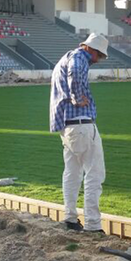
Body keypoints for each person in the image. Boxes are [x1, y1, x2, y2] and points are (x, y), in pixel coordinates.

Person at [49, 33, 109, 233]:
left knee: (72, 173)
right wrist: (77, 97)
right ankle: (93, 224)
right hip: (82, 123)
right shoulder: (79, 58)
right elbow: (75, 74)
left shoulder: (65, 58)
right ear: (91, 49)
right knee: (94, 173)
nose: (98, 60)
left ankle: (70, 218)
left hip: (67, 126)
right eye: (99, 55)